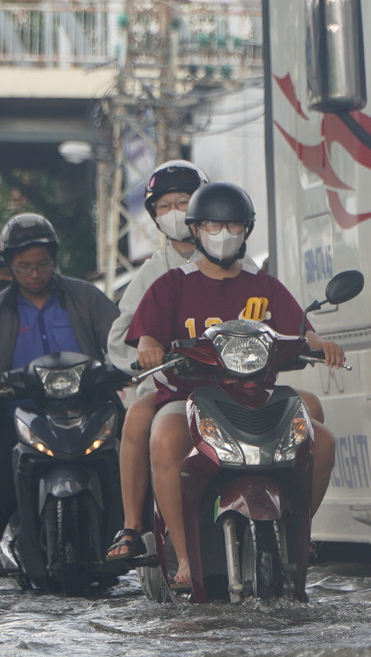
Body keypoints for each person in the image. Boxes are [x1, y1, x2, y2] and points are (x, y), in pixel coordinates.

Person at [125, 182, 346, 589]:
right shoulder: (172, 284)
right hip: (190, 398)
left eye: (233, 225)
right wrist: (150, 348)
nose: (223, 233)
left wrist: (322, 345)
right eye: (212, 224)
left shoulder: (264, 285)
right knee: (164, 438)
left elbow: (302, 333)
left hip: (256, 400)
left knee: (325, 441)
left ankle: (297, 535)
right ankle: (186, 557)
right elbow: (146, 337)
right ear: (195, 229)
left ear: (247, 230)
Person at [0, 213, 119, 590]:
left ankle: (162, 563)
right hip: (19, 416)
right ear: (9, 267)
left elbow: (121, 339)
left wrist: (126, 363)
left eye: (42, 264)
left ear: (54, 260)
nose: (34, 273)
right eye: (24, 266)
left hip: (89, 411)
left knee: (144, 471)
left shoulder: (86, 298)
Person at [105, 160, 211, 563]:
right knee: (135, 418)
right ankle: (132, 526)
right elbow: (120, 340)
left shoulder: (240, 264)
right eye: (164, 206)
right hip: (173, 389)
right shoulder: (153, 273)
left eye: (183, 202)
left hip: (236, 386)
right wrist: (151, 356)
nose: (175, 212)